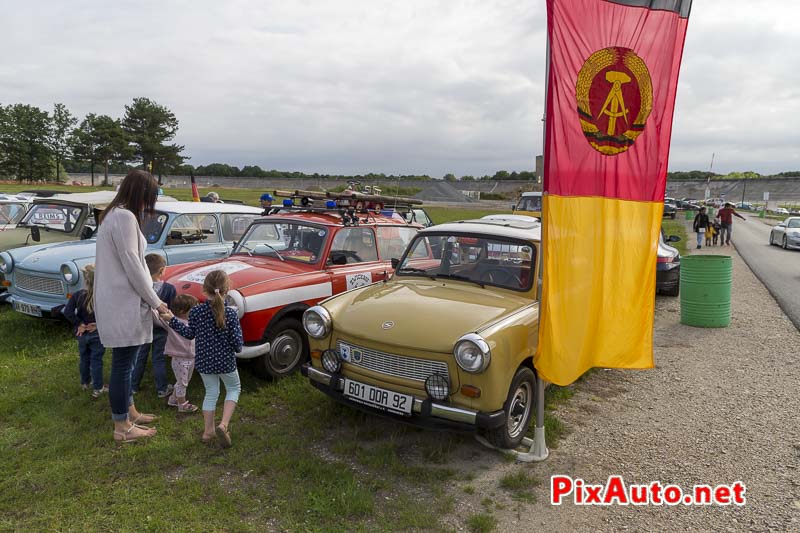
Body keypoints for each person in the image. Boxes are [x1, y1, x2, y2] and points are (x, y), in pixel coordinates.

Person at [95, 170, 170, 443]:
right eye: (152, 195)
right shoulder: (124, 217)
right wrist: (157, 302)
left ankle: (130, 412)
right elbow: (134, 266)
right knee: (123, 365)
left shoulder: (113, 214)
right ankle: (122, 427)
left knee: (126, 362)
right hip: (122, 301)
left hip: (118, 300)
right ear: (141, 194)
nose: (152, 202)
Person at [162, 270, 243, 448]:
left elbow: (189, 334)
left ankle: (208, 431)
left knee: (211, 393)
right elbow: (237, 343)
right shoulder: (230, 314)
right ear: (226, 290)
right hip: (226, 362)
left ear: (204, 290)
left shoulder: (197, 311)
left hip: (204, 362)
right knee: (233, 388)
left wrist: (172, 320)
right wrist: (235, 347)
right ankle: (224, 425)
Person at [131, 254, 177, 398]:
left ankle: (133, 386)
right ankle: (162, 389)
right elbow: (172, 309)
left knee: (140, 357)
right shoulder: (169, 289)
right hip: (161, 329)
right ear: (162, 270)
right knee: (159, 359)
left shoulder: (138, 287)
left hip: (143, 327)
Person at [63, 264, 107, 399]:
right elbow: (108, 314)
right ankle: (98, 388)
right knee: (96, 360)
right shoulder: (103, 296)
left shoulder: (77, 295)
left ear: (85, 279)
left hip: (82, 333)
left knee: (84, 358)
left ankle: (85, 383)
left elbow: (67, 311)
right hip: (97, 334)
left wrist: (79, 324)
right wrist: (99, 325)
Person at [153, 294, 199, 413]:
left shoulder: (193, 322)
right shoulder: (172, 321)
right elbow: (158, 316)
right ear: (184, 311)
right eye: (194, 309)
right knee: (182, 383)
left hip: (191, 357)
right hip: (180, 359)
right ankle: (182, 404)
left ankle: (173, 399)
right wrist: (155, 305)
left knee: (184, 381)